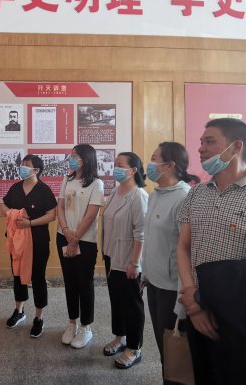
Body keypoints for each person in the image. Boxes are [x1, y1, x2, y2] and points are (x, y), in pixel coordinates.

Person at [176, 118, 246, 385]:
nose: (201, 148)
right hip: (199, 311)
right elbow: (183, 247)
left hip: (245, 311)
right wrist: (193, 302)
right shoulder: (196, 193)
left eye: (210, 141)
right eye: (201, 142)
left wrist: (202, 300)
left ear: (236, 147)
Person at [142, 142, 200, 383]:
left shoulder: (184, 197)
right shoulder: (155, 194)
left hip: (171, 289)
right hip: (154, 283)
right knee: (164, 345)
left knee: (175, 350)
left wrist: (182, 299)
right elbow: (152, 239)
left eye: (154, 158)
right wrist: (144, 271)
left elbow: (187, 250)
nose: (150, 163)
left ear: (169, 165)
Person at [101, 152, 148, 368]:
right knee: (117, 300)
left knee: (132, 304)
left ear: (133, 170)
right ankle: (120, 337)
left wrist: (135, 263)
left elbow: (141, 233)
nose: (116, 168)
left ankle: (134, 347)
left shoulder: (139, 196)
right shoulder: (115, 192)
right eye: (115, 164)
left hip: (129, 260)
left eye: (120, 165)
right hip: (112, 256)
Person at [1, 154, 57, 337]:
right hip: (17, 241)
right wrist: (14, 214)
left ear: (36, 170)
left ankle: (39, 317)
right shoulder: (16, 187)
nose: (22, 167)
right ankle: (19, 311)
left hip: (38, 241)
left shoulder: (44, 190)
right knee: (17, 274)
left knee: (38, 277)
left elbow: (52, 215)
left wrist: (30, 223)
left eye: (27, 165)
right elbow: (3, 207)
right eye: (22, 164)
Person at [56, 144, 104, 349]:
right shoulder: (66, 180)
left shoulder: (96, 184)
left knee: (84, 283)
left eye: (75, 156)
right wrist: (66, 231)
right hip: (63, 236)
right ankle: (72, 323)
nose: (71, 158)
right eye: (71, 155)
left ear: (85, 159)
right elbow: (60, 207)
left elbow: (91, 215)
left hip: (85, 240)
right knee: (69, 282)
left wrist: (74, 239)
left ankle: (86, 327)